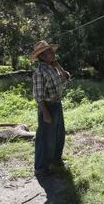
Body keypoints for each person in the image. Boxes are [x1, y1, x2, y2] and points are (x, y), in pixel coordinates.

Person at [30, 40, 70, 176]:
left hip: (57, 104)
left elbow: (65, 78)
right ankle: (41, 168)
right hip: (47, 107)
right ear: (41, 56)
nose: (53, 54)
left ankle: (55, 160)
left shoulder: (52, 67)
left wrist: (58, 65)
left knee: (59, 135)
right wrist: (45, 113)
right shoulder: (40, 71)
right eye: (49, 52)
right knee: (44, 137)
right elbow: (38, 95)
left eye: (52, 51)